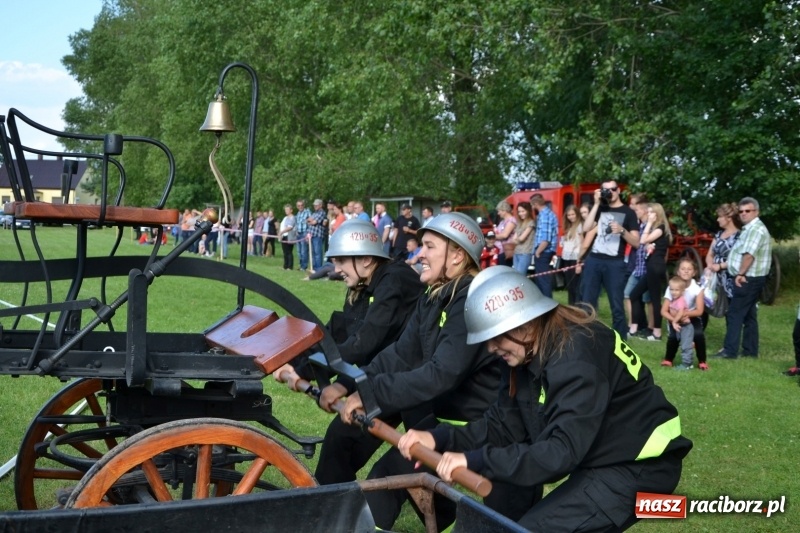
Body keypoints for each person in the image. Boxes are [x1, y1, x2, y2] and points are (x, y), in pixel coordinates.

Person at [398, 267, 692, 532]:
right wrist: (439, 439)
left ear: (525, 322)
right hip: (602, 456)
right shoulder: (526, 350)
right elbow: (503, 425)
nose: (490, 348)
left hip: (640, 468)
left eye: (496, 337)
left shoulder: (574, 356)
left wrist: (473, 460)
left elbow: (560, 453)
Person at [319, 214, 537, 531]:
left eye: (429, 247)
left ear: (458, 255)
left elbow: (440, 375)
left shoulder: (474, 301)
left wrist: (371, 393)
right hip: (449, 424)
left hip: (496, 434)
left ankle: (443, 513)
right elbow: (400, 354)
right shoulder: (434, 295)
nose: (420, 254)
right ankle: (326, 513)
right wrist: (349, 383)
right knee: (387, 474)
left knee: (509, 524)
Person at [274, 218, 423, 383]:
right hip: (385, 377)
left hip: (410, 381)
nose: (337, 270)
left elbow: (364, 342)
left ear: (366, 259)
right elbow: (339, 331)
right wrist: (294, 363)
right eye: (335, 262)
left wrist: (305, 372)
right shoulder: (363, 283)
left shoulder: (393, 280)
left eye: (342, 261)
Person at [581, 180, 640, 339]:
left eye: (612, 189)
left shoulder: (629, 213)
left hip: (615, 262)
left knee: (616, 305)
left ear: (618, 190)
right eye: (605, 190)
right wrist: (595, 204)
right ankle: (586, 338)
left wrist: (622, 231)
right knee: (587, 302)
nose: (610, 193)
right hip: (594, 259)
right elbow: (586, 228)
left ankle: (620, 341)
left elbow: (636, 242)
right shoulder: (600, 208)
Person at [715, 197, 772, 359]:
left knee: (735, 313)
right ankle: (750, 351)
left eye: (748, 211)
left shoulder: (755, 230)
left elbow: (749, 255)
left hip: (748, 278)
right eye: (741, 211)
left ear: (757, 212)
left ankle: (729, 351)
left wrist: (740, 274)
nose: (744, 214)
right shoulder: (750, 228)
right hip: (750, 277)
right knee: (749, 315)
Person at [630, 203, 672, 342]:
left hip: (655, 267)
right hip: (652, 266)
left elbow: (642, 240)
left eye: (650, 212)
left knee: (655, 300)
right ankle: (634, 328)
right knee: (634, 294)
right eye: (647, 212)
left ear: (657, 214)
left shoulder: (660, 228)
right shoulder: (657, 229)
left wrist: (648, 224)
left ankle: (657, 333)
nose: (648, 215)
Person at [661, 257, 709, 370]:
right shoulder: (672, 286)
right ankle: (668, 359)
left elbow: (699, 311)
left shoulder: (697, 289)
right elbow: (663, 310)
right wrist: (674, 320)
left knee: (698, 334)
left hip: (691, 315)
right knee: (673, 336)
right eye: (683, 269)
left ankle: (702, 361)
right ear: (678, 271)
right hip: (673, 316)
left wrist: (684, 315)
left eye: (689, 269)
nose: (686, 271)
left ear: (694, 272)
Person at [705, 203, 741, 312]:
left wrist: (720, 266)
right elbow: (710, 254)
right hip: (717, 278)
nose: (717, 219)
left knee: (732, 311)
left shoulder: (740, 236)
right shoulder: (718, 234)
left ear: (729, 218)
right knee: (721, 308)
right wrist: (710, 267)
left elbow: (739, 259)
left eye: (720, 216)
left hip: (731, 278)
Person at [662, 277, 696, 370]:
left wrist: (674, 321)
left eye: (677, 290)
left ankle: (687, 364)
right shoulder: (674, 300)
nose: (674, 292)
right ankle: (688, 356)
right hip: (680, 326)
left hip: (686, 326)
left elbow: (681, 312)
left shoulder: (680, 300)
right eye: (672, 290)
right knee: (684, 343)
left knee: (686, 346)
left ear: (682, 291)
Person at [530, 193, 559, 297]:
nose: (532, 207)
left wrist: (538, 252)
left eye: (532, 205)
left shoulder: (545, 216)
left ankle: (548, 305)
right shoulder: (548, 214)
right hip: (545, 251)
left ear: (536, 204)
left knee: (543, 281)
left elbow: (545, 239)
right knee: (541, 279)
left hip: (543, 251)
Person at [559, 204, 583, 305]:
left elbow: (582, 243)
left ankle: (577, 307)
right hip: (567, 258)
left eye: (573, 214)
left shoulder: (580, 226)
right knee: (570, 286)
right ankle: (571, 306)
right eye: (569, 215)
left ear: (577, 214)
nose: (571, 217)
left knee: (575, 286)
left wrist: (579, 262)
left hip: (575, 258)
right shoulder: (569, 227)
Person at [511, 201, 535, 276]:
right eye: (519, 211)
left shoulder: (531, 223)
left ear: (528, 211)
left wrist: (517, 239)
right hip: (516, 252)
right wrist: (517, 239)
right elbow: (513, 239)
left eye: (523, 211)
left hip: (525, 253)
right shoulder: (519, 223)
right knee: (516, 275)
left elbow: (521, 238)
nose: (520, 213)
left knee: (520, 276)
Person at [494, 200, 517, 267]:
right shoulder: (502, 222)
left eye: (499, 211)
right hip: (499, 250)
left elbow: (505, 235)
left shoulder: (511, 221)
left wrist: (492, 237)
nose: (498, 213)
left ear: (504, 210)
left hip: (506, 251)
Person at [307, 199, 327, 271]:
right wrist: (310, 221)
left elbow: (314, 222)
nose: (315, 206)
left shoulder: (322, 213)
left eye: (316, 205)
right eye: (314, 205)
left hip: (318, 235)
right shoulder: (314, 213)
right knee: (312, 253)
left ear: (321, 205)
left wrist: (311, 221)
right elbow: (307, 221)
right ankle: (314, 268)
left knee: (318, 253)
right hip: (311, 235)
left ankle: (318, 269)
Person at [279, 204, 297, 271]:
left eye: (287, 209)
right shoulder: (285, 218)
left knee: (289, 251)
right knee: (285, 252)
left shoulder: (292, 218)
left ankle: (290, 266)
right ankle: (285, 266)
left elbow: (290, 227)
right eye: (285, 210)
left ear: (291, 210)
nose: (286, 211)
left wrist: (282, 232)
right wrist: (280, 234)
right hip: (284, 236)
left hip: (289, 236)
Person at [295, 199, 311, 270]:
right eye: (298, 206)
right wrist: (296, 231)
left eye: (301, 205)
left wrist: (308, 233)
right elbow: (297, 223)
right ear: (297, 206)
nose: (300, 207)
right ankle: (301, 265)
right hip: (298, 233)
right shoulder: (298, 214)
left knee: (304, 251)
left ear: (304, 205)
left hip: (304, 233)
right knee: (299, 251)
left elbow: (310, 222)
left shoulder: (307, 212)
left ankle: (304, 266)